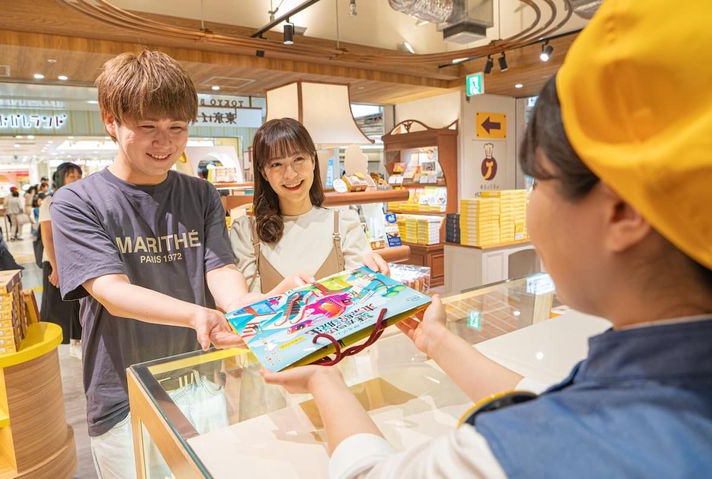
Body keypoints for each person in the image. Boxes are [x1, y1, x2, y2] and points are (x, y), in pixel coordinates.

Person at [261, 2, 712, 477]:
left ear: (622, 211)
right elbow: (547, 404)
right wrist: (437, 340)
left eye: (539, 181)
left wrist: (325, 380)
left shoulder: (567, 447)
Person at [49, 50, 306, 478]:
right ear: (111, 121)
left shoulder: (201, 194)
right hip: (123, 395)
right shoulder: (77, 201)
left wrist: (244, 307)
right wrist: (197, 315)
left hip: (200, 379)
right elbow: (110, 290)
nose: (164, 143)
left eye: (177, 128)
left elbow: (219, 267)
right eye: (147, 127)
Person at [230, 118, 388, 293]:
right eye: (276, 164)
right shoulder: (246, 232)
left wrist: (377, 279)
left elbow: (362, 295)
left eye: (298, 159)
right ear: (264, 173)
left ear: (313, 160)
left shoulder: (344, 223)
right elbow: (246, 304)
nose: (290, 174)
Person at [39, 163, 83, 355]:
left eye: (78, 176)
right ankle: (56, 345)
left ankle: (76, 341)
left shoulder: (79, 199)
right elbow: (47, 237)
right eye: (71, 176)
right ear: (60, 178)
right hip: (55, 260)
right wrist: (56, 267)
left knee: (77, 301)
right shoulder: (49, 201)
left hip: (76, 258)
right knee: (56, 305)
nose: (76, 180)